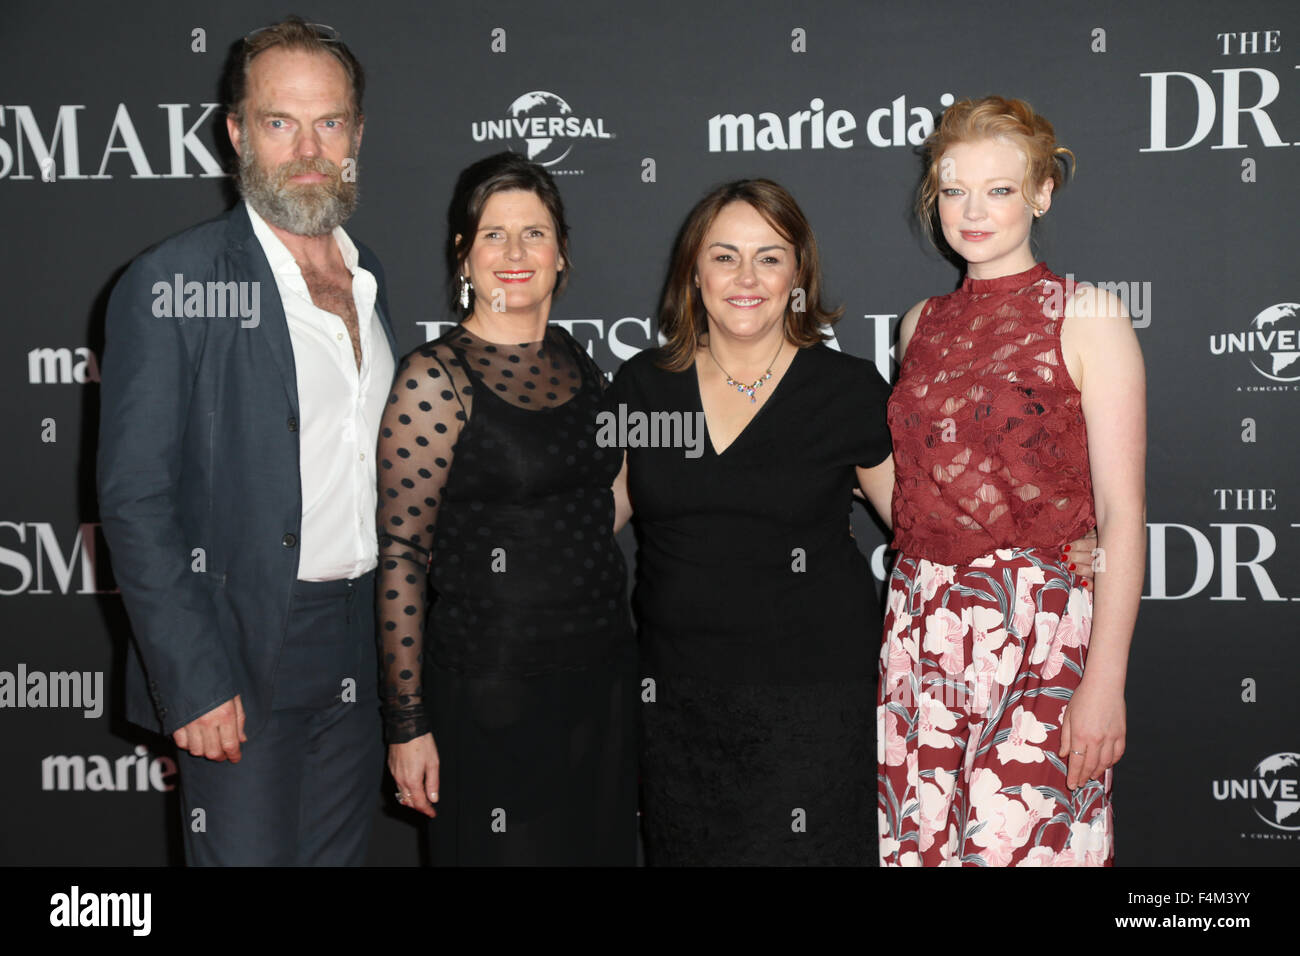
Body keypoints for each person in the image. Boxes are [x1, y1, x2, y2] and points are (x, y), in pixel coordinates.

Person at [98, 18, 396, 865]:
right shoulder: (174, 280)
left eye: (329, 122)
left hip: (361, 641)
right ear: (236, 132)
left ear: (357, 134)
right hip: (242, 643)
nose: (308, 147)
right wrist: (192, 678)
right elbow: (135, 497)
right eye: (279, 122)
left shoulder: (367, 272)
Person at [878, 95, 1146, 866]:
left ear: (1041, 193)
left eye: (999, 189)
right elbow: (919, 493)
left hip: (1039, 635)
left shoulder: (1087, 314)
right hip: (922, 632)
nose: (973, 210)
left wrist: (1105, 682)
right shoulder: (918, 324)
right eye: (954, 189)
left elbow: (1124, 515)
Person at [605, 179, 896, 865]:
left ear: (798, 274)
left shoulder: (847, 392)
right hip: (678, 707)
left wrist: (1050, 539)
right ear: (693, 271)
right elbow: (587, 525)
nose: (746, 278)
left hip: (816, 706)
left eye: (769, 257)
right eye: (724, 255)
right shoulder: (645, 386)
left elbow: (924, 526)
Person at [378, 152, 638, 865]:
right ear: (463, 256)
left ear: (562, 253)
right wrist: (408, 724)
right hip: (492, 694)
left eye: (534, 233)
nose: (515, 253)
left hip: (600, 680)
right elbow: (401, 556)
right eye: (493, 235)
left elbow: (594, 508)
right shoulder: (434, 378)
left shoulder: (577, 360)